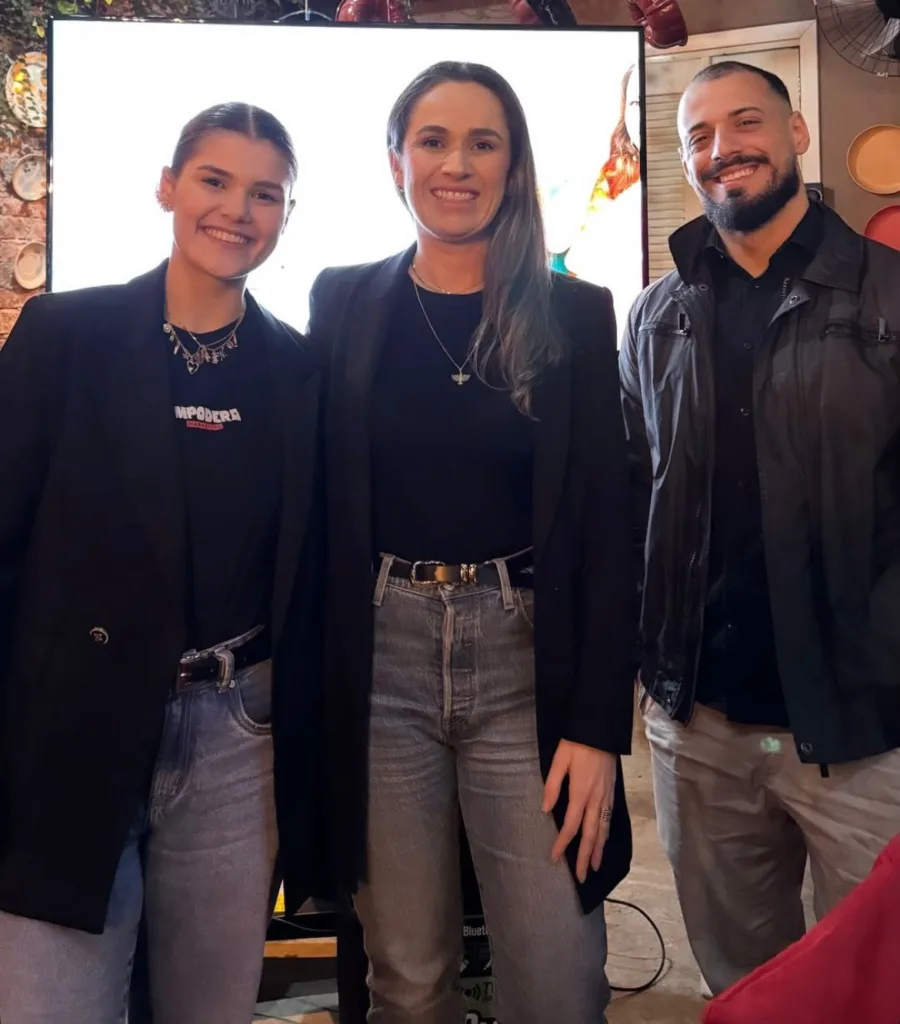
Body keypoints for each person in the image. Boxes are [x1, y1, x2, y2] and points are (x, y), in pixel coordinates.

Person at [309, 60, 636, 1024]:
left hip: (527, 665)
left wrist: (597, 727)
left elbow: (608, 527)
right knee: (408, 983)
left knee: (559, 980)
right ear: (396, 161)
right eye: (434, 141)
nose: (457, 164)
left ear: (512, 164)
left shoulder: (574, 313)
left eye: (482, 142)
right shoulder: (342, 300)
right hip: (381, 663)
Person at [0, 102, 327, 1024]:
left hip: (234, 737)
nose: (238, 210)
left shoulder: (299, 372)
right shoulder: (65, 336)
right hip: (70, 722)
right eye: (215, 181)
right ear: (168, 187)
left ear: (286, 215)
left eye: (266, 194)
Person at [620, 60, 900, 998]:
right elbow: (635, 497)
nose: (722, 149)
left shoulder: (890, 295)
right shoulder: (657, 316)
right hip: (699, 726)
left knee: (875, 987)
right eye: (698, 136)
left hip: (867, 726)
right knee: (745, 987)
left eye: (745, 122)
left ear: (796, 134)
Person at [546, 63, 643, 332]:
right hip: (585, 318)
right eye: (635, 103)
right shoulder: (606, 172)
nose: (644, 113)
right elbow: (557, 240)